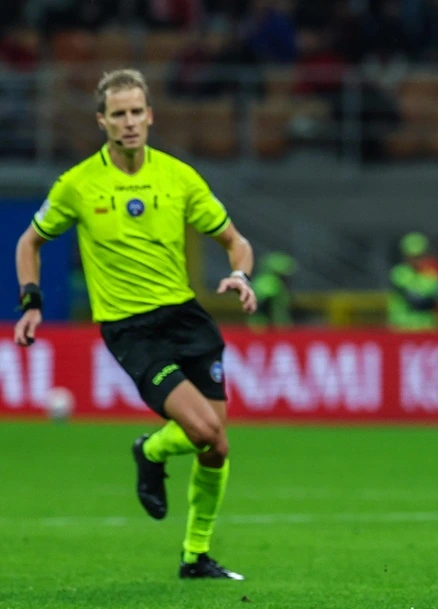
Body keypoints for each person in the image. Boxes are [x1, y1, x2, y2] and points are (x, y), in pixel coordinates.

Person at [13, 69, 256, 580]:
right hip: (131, 329)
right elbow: (29, 242)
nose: (128, 123)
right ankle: (148, 449)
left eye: (136, 112)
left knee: (217, 446)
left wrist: (239, 274)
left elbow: (236, 240)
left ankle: (196, 556)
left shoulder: (179, 177)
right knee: (202, 428)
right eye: (117, 114)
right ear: (102, 121)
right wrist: (30, 301)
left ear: (150, 115)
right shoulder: (78, 185)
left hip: (186, 317)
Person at [388, 232, 438, 330]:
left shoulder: (431, 274)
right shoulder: (399, 273)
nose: (417, 260)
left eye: (420, 256)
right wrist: (428, 300)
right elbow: (415, 301)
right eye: (413, 257)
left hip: (428, 328)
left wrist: (429, 301)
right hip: (403, 328)